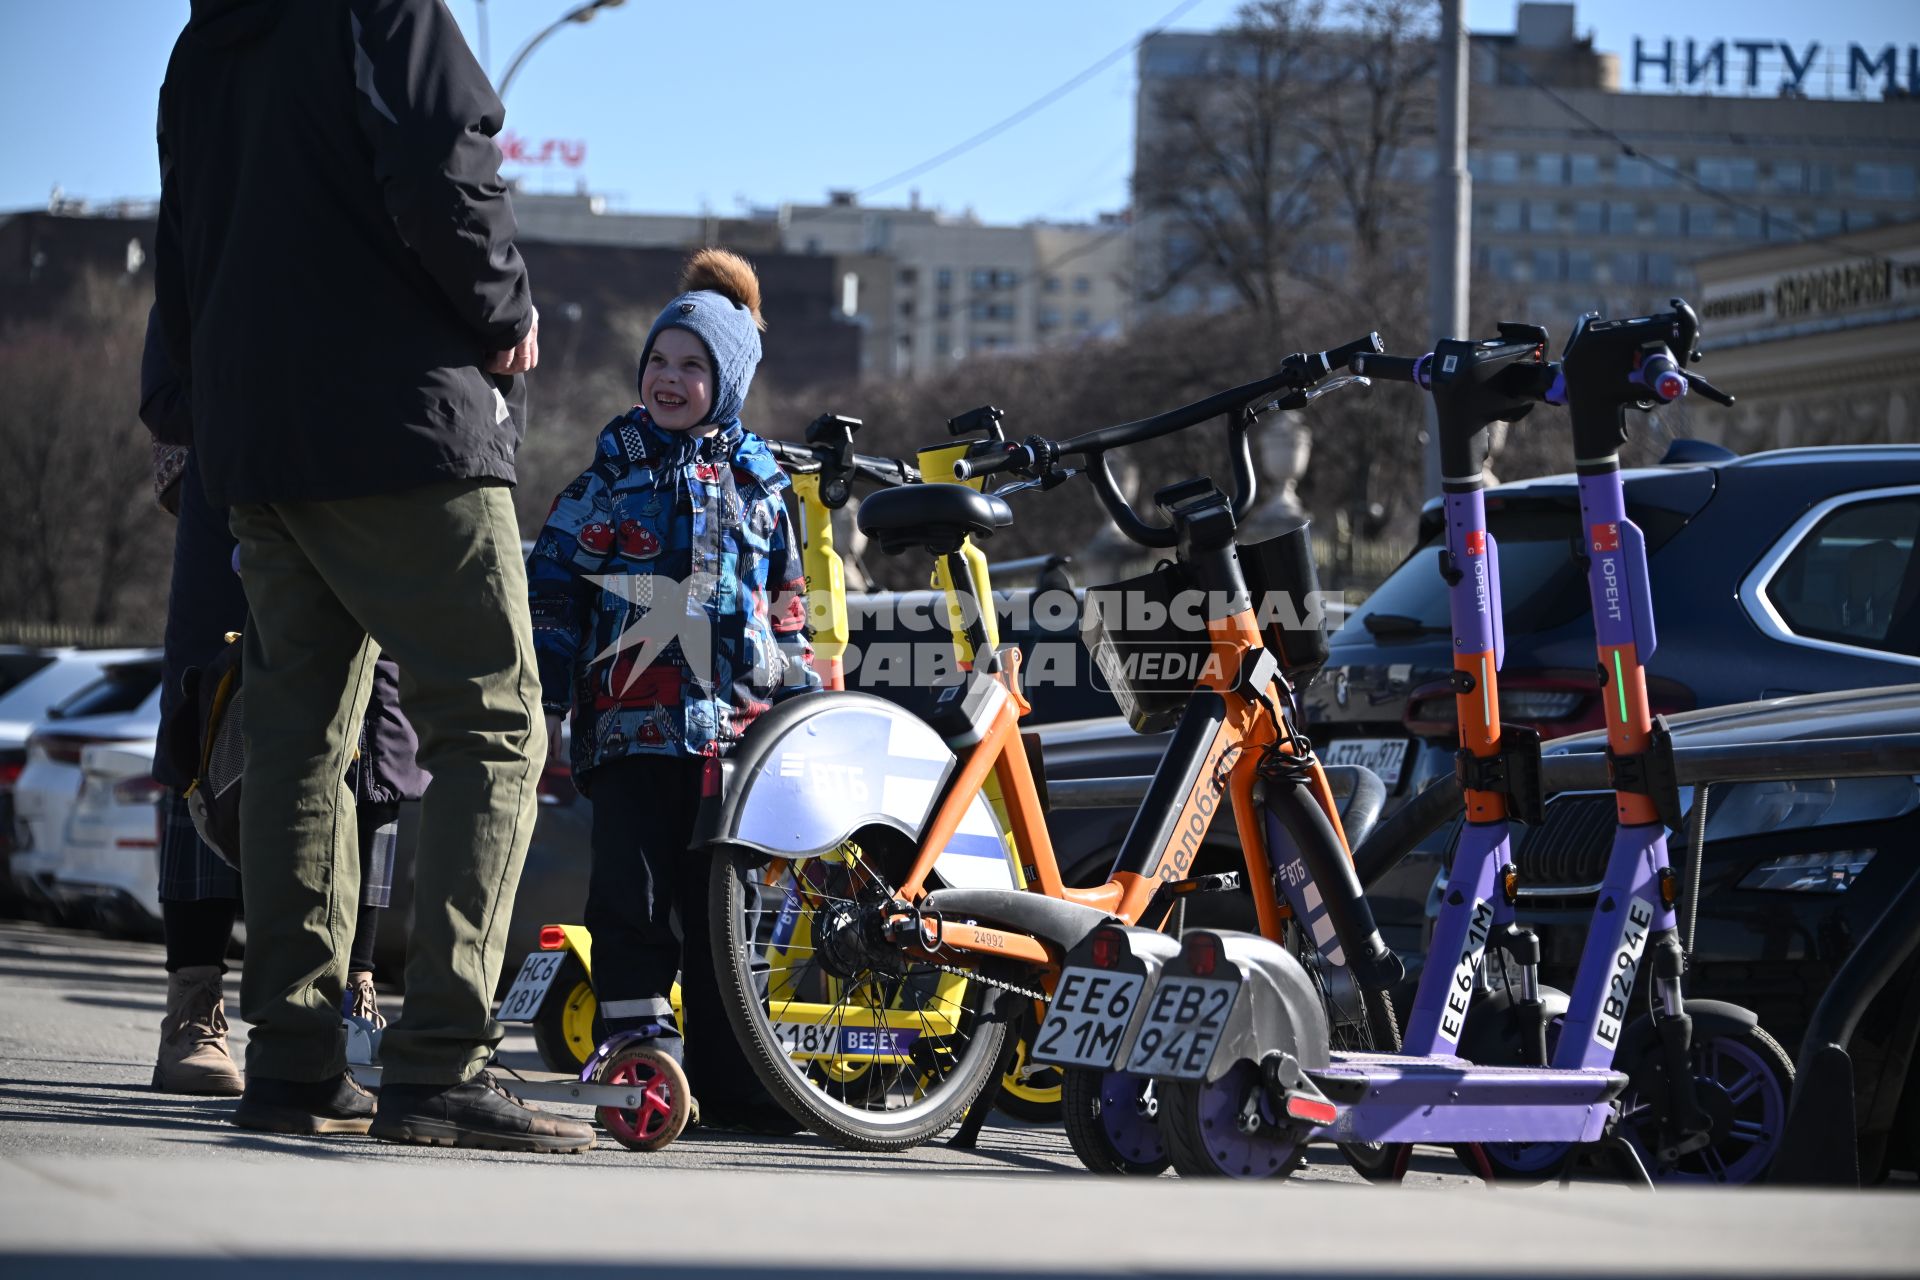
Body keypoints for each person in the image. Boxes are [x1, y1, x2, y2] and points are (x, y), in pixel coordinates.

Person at [155, 0, 591, 1152]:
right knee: (495, 718)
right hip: (398, 426)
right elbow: (446, 156)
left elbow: (183, 233)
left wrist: (181, 406)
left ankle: (294, 1059)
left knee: (300, 738)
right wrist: (505, 311)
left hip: (255, 440)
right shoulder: (377, 5)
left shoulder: (207, 40)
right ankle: (443, 1057)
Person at [528, 249, 816, 1131]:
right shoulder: (610, 477)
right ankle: (636, 1048)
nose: (670, 378)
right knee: (632, 897)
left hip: (738, 738)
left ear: (727, 379)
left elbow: (789, 609)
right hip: (631, 730)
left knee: (726, 913)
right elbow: (553, 594)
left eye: (694, 365)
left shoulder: (765, 484)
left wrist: (800, 700)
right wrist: (544, 698)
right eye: (660, 360)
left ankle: (737, 1083)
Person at [140, 308, 422, 1097]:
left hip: (379, 480)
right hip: (242, 470)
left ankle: (354, 993)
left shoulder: (392, 212)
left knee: (377, 741)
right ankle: (193, 1007)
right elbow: (168, 378)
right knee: (216, 722)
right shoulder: (229, 211)